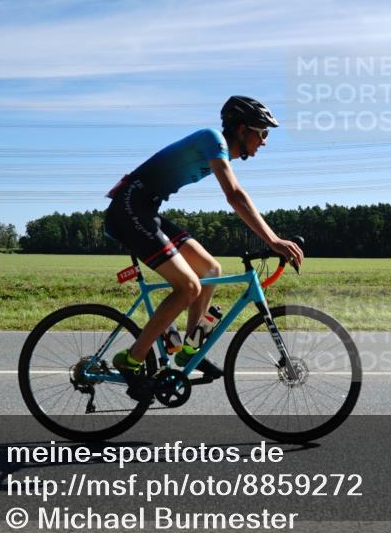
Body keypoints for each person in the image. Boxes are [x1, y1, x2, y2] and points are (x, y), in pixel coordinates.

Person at [104, 96, 304, 401]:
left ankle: (188, 350)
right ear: (241, 129)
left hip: (146, 208)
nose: (264, 141)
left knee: (211, 270)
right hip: (130, 208)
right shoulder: (214, 140)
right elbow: (234, 195)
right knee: (188, 287)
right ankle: (131, 359)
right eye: (262, 133)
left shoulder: (220, 148)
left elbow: (237, 195)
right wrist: (272, 240)